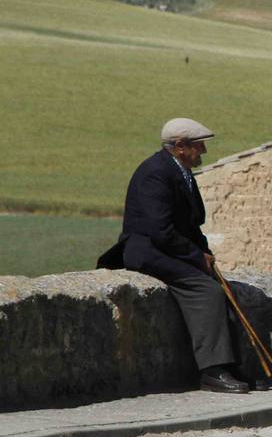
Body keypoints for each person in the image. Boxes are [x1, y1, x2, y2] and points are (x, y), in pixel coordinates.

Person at [97, 118, 249, 394]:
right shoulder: (154, 173)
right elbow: (160, 230)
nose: (203, 151)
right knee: (207, 291)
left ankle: (232, 364)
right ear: (180, 146)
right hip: (148, 251)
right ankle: (212, 370)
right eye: (198, 145)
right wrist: (196, 257)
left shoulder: (182, 172)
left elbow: (191, 224)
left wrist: (204, 252)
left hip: (169, 249)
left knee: (225, 288)